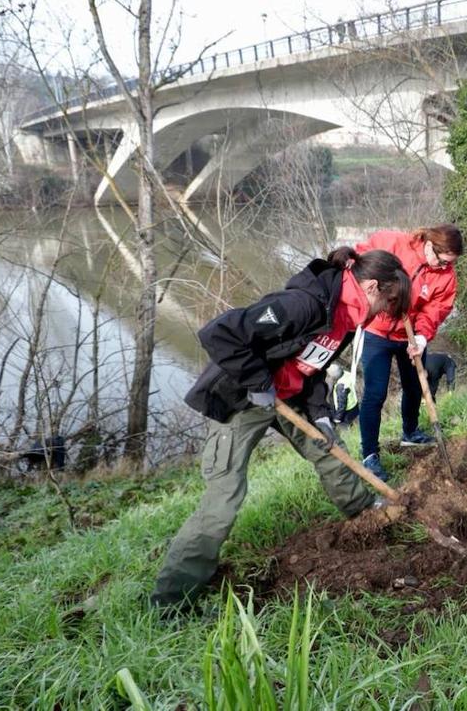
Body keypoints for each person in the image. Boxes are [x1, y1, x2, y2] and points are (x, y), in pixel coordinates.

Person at [151, 248, 410, 610]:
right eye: (386, 302)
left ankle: (366, 515)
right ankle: (171, 600)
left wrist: (319, 413)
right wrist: (259, 384)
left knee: (328, 448)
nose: (385, 312)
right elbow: (220, 333)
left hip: (290, 397)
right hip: (244, 397)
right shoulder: (303, 304)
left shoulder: (347, 319)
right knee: (224, 498)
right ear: (370, 287)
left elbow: (315, 364)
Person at [354, 224, 462, 481]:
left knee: (415, 386)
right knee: (375, 394)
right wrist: (372, 296)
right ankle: (370, 454)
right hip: (376, 332)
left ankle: (410, 432)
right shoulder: (392, 242)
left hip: (410, 336)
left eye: (449, 263)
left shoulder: (446, 276)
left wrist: (423, 336)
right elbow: (358, 265)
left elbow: (435, 309)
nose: (442, 267)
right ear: (430, 244)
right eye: (440, 260)